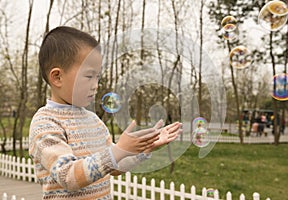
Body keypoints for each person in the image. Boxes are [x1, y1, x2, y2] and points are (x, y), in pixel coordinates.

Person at [29, 26, 182, 200]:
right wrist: (118, 151)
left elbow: (114, 166)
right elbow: (68, 177)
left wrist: (143, 149)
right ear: (57, 77)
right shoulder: (45, 122)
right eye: (89, 76)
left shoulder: (93, 120)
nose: (96, 85)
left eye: (98, 77)